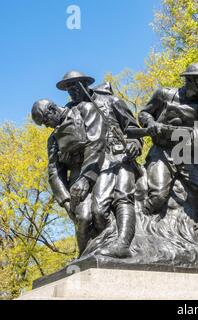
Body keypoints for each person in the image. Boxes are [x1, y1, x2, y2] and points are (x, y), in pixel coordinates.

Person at [138, 63, 198, 261]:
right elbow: (143, 113)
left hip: (187, 154)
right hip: (162, 151)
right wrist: (151, 123)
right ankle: (138, 235)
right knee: (158, 196)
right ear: (188, 79)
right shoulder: (164, 94)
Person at [56, 70, 143, 258]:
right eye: (68, 88)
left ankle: (123, 244)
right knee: (97, 212)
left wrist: (135, 143)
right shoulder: (70, 112)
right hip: (93, 166)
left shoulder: (112, 101)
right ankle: (96, 249)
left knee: (123, 197)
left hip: (120, 158)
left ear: (86, 83)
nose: (72, 91)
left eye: (75, 85)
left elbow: (133, 129)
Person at [31, 98, 106, 255]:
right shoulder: (53, 139)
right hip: (77, 178)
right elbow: (54, 172)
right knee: (83, 219)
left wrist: (86, 176)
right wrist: (65, 200)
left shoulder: (84, 110)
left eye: (45, 120)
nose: (46, 125)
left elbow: (96, 142)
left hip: (101, 168)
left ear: (52, 109)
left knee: (101, 213)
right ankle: (84, 257)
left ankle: (108, 249)